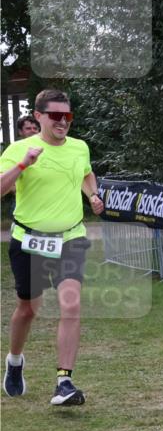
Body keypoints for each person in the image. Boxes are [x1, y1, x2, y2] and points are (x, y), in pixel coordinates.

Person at [1, 89, 104, 405]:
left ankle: (64, 382)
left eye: (67, 116)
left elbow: (86, 173)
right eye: (56, 116)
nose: (63, 122)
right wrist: (22, 165)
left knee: (70, 304)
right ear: (38, 116)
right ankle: (15, 361)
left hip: (70, 237)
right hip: (29, 240)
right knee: (29, 309)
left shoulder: (79, 147)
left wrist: (93, 195)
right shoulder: (19, 149)